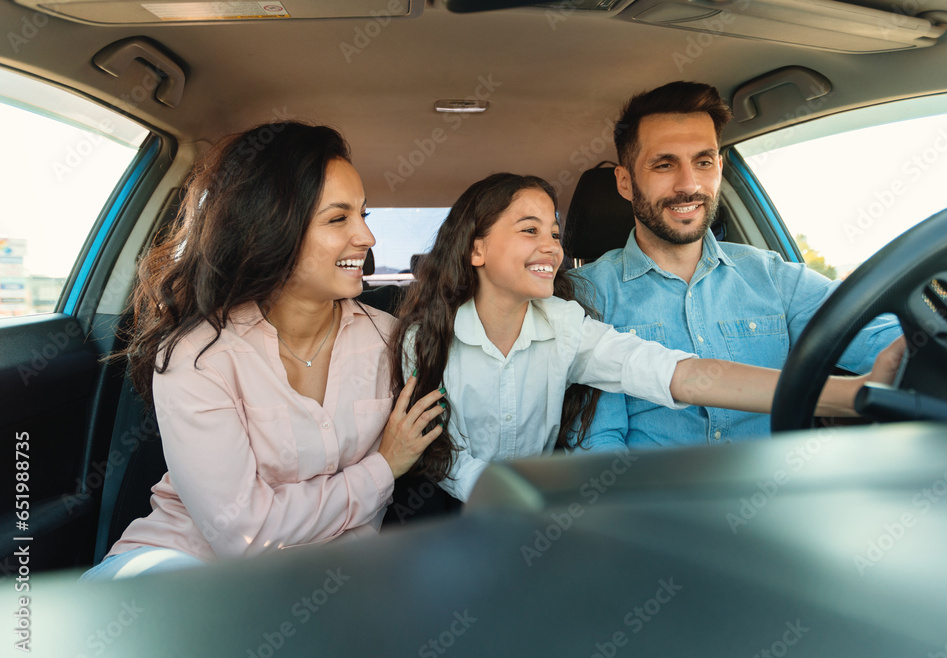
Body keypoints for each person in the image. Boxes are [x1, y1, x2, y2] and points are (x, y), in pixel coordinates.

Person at [388, 173, 904, 502]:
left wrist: (854, 393)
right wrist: (507, 495)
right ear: (476, 250)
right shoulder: (425, 338)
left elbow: (682, 373)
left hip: (534, 510)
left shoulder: (565, 326)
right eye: (529, 230)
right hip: (449, 505)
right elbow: (437, 451)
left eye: (553, 231)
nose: (550, 245)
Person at [80, 122, 444, 581]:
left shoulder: (392, 341)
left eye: (364, 216)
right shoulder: (198, 354)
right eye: (338, 219)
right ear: (271, 228)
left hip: (330, 582)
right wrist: (383, 468)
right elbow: (243, 538)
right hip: (183, 569)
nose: (367, 239)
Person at [569, 81, 902, 451]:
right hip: (658, 502)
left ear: (719, 168)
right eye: (665, 164)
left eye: (704, 162)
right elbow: (597, 448)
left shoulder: (774, 278)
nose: (689, 184)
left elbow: (884, 339)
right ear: (626, 182)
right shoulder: (584, 296)